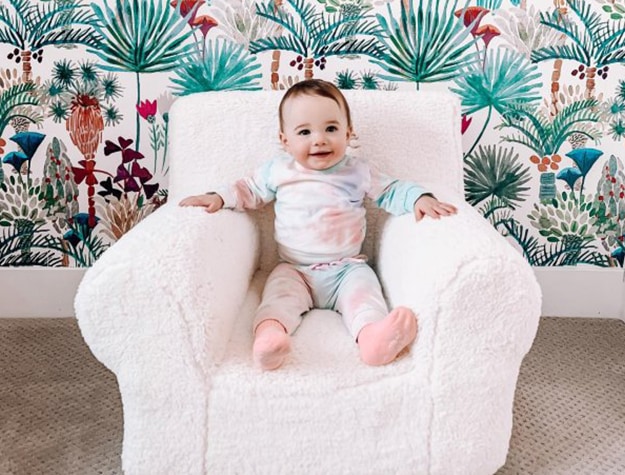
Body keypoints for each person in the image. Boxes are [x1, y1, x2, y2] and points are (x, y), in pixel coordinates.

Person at [179, 79, 457, 371]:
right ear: (285, 140)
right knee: (276, 299)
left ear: (348, 133)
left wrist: (418, 199)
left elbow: (391, 190)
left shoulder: (357, 171)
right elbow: (246, 190)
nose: (319, 139)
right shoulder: (278, 171)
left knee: (364, 295)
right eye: (304, 132)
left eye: (331, 129)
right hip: (295, 269)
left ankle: (372, 337)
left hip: (347, 268)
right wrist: (218, 197)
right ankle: (270, 337)